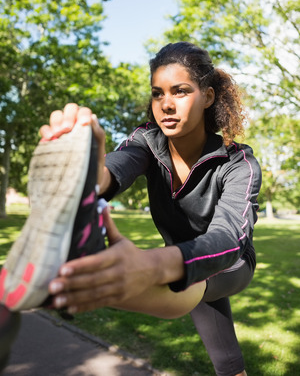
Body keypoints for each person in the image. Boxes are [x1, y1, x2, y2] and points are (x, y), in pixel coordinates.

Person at [5, 42, 262, 375]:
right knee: (228, 364)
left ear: (208, 97)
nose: (166, 104)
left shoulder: (238, 162)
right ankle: (69, 271)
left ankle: (64, 281)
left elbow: (228, 239)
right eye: (158, 94)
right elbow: (114, 171)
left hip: (228, 261)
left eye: (180, 92)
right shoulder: (148, 141)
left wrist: (152, 265)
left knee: (183, 288)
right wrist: (87, 166)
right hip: (176, 260)